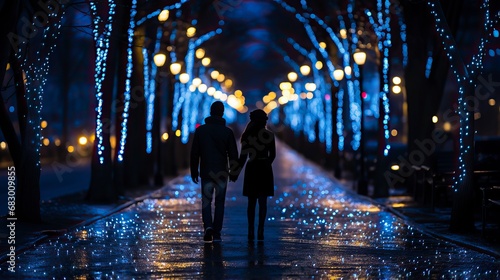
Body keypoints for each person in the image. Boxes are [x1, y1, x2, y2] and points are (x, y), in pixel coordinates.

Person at [190, 101, 239, 243]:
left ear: (210, 112)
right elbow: (233, 154)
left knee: (206, 201)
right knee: (220, 203)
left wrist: (194, 170)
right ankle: (217, 232)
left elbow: (195, 153)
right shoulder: (227, 132)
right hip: (221, 172)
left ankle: (208, 227)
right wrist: (233, 172)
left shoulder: (201, 131)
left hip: (206, 171)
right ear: (222, 113)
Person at [237, 109, 276, 241]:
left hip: (252, 168)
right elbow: (273, 155)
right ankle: (261, 230)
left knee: (251, 202)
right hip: (264, 169)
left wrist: (234, 173)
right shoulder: (269, 135)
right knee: (263, 201)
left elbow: (242, 157)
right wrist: (267, 163)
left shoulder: (248, 136)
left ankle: (250, 230)